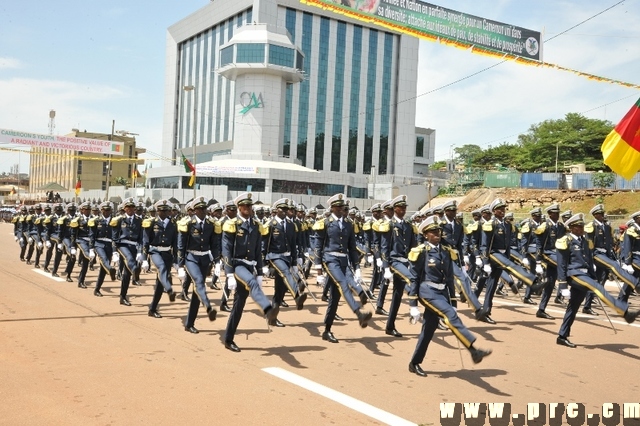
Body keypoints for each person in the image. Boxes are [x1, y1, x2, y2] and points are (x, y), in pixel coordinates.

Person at [408, 216, 492, 377]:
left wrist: (453, 300)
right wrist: (413, 305)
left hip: (442, 293)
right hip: (427, 292)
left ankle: (414, 362)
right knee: (450, 315)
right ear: (425, 235)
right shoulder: (420, 252)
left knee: (428, 330)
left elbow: (449, 279)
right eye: (433, 232)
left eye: (438, 231)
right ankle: (473, 350)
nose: (437, 234)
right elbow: (414, 278)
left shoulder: (446, 252)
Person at [556, 213, 639, 348]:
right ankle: (624, 312)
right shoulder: (565, 241)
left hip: (585, 275)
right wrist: (562, 285)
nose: (581, 228)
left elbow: (589, 261)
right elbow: (562, 264)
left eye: (582, 225)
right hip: (574, 275)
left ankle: (562, 335)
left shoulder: (585, 241)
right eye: (578, 226)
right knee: (598, 288)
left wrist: (593, 275)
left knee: (573, 307)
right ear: (571, 227)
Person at [312, 193, 372, 344]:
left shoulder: (348, 224)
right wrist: (319, 270)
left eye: (343, 207)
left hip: (344, 260)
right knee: (343, 284)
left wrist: (357, 268)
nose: (340, 209)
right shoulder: (324, 223)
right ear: (331, 208)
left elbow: (352, 248)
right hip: (330, 259)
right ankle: (359, 313)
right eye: (338, 207)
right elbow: (318, 247)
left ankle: (327, 330)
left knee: (335, 297)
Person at [221, 192, 277, 352]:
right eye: (244, 206)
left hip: (251, 265)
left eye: (249, 206)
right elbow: (226, 251)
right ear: (239, 207)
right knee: (251, 282)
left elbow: (258, 250)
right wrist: (229, 274)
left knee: (239, 305)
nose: (247, 208)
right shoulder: (232, 224)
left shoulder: (256, 225)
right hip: (237, 265)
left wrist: (259, 272)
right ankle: (267, 309)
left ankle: (228, 339)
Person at [479, 199, 542, 324]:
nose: (502, 211)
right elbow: (485, 245)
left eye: (503, 209)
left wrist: (507, 255)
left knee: (492, 285)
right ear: (494, 211)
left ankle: (485, 311)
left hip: (503, 254)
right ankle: (531, 281)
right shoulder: (490, 224)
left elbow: (507, 243)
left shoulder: (507, 225)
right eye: (499, 209)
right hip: (494, 254)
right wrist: (485, 262)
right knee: (511, 266)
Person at [263, 198, 307, 327]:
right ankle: (297, 295)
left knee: (280, 289)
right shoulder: (270, 224)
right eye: (282, 209)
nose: (285, 211)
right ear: (276, 210)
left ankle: (272, 317)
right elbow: (264, 244)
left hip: (287, 257)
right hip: (274, 256)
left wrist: (295, 261)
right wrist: (264, 264)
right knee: (285, 272)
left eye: (286, 209)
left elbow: (293, 244)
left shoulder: (290, 225)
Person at [178, 197, 220, 332]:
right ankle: (208, 307)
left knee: (196, 292)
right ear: (194, 210)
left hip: (204, 259)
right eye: (200, 209)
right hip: (191, 257)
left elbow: (214, 245)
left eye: (204, 208)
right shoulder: (188, 223)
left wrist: (217, 262)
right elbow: (181, 245)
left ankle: (189, 323)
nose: (202, 211)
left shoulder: (211, 223)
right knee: (199, 282)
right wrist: (180, 265)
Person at [379, 195, 418, 338]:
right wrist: (386, 267)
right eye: (400, 207)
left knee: (397, 295)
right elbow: (384, 247)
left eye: (404, 208)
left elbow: (414, 247)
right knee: (413, 280)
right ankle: (414, 307)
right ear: (395, 209)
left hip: (406, 261)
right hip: (395, 261)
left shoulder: (408, 226)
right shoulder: (389, 225)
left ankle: (390, 326)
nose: (403, 210)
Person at [144, 199, 179, 318]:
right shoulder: (151, 223)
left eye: (166, 211)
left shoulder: (173, 224)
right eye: (161, 211)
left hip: (167, 253)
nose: (163, 213)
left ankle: (152, 308)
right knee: (162, 269)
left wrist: (176, 261)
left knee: (160, 283)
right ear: (157, 211)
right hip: (155, 251)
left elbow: (175, 243)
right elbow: (145, 241)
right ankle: (169, 289)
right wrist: (144, 258)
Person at [110, 197, 143, 306]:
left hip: (134, 246)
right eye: (128, 207)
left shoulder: (139, 220)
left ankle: (123, 296)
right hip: (122, 245)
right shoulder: (119, 219)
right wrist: (114, 251)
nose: (130, 209)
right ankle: (136, 270)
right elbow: (114, 237)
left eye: (132, 207)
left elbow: (141, 238)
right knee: (129, 259)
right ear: (124, 208)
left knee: (126, 274)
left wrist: (139, 251)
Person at [92, 202, 117, 297]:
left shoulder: (114, 221)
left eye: (108, 210)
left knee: (103, 268)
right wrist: (91, 248)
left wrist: (115, 250)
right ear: (101, 210)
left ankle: (97, 289)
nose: (106, 212)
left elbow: (116, 235)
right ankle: (111, 269)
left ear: (111, 211)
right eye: (104, 210)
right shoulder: (96, 220)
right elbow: (92, 235)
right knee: (103, 259)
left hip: (109, 245)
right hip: (99, 243)